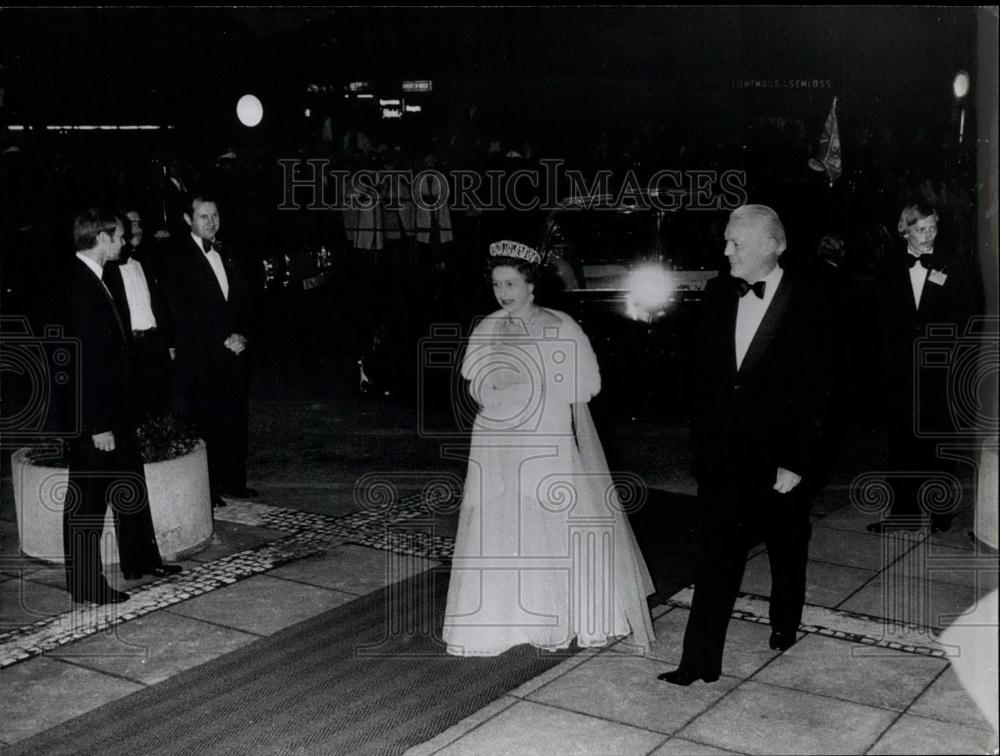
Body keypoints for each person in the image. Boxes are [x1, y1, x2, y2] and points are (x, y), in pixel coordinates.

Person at [443, 240, 655, 656]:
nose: (504, 292)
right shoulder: (488, 326)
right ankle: (502, 619)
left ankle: (555, 614)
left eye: (511, 283)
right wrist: (494, 384)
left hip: (543, 436)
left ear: (531, 285)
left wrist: (530, 383)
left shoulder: (559, 325)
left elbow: (584, 386)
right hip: (498, 437)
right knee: (500, 522)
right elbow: (475, 383)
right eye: (497, 284)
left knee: (546, 518)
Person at [659, 205, 832, 685]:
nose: (726, 249)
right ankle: (697, 662)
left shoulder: (811, 299)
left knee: (786, 545)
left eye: (736, 242)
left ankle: (784, 621)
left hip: (779, 457)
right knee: (716, 554)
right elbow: (701, 376)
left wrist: (797, 460)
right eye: (727, 240)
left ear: (771, 246)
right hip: (722, 454)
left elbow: (819, 390)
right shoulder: (717, 293)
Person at [62, 208, 182, 604]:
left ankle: (141, 558)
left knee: (130, 486)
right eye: (117, 236)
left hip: (117, 410)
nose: (124, 241)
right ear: (99, 239)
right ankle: (84, 582)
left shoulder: (102, 277)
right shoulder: (78, 286)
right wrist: (97, 424)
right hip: (96, 417)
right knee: (88, 500)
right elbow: (80, 362)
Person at [865, 203, 977, 534]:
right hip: (900, 371)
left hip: (939, 370)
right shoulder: (888, 268)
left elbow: (966, 316)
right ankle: (904, 513)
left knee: (938, 443)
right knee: (901, 444)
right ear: (905, 231)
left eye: (932, 228)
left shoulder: (955, 265)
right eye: (920, 229)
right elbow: (877, 322)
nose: (928, 236)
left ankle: (940, 512)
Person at [161, 194, 254, 508]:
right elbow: (183, 308)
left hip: (234, 351)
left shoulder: (226, 250)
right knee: (206, 421)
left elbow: (244, 297)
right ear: (188, 220)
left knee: (234, 417)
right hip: (202, 353)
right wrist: (222, 336)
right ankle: (208, 489)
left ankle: (233, 482)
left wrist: (242, 333)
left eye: (215, 215)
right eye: (204, 216)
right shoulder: (177, 256)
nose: (211, 222)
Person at [102, 210, 174, 420]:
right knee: (134, 409)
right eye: (132, 223)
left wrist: (168, 344)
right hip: (130, 347)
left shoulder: (146, 263)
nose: (139, 228)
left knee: (160, 406)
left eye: (140, 223)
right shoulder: (107, 270)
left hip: (154, 344)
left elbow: (160, 306)